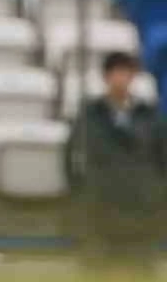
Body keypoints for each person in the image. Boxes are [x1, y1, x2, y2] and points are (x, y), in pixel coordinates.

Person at [67, 49, 167, 274]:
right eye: (116, 72)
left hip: (140, 208)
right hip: (101, 208)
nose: (121, 78)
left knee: (140, 269)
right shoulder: (89, 115)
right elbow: (70, 155)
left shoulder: (149, 116)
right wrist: (82, 191)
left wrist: (156, 192)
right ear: (106, 77)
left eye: (126, 72)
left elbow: (162, 157)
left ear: (133, 77)